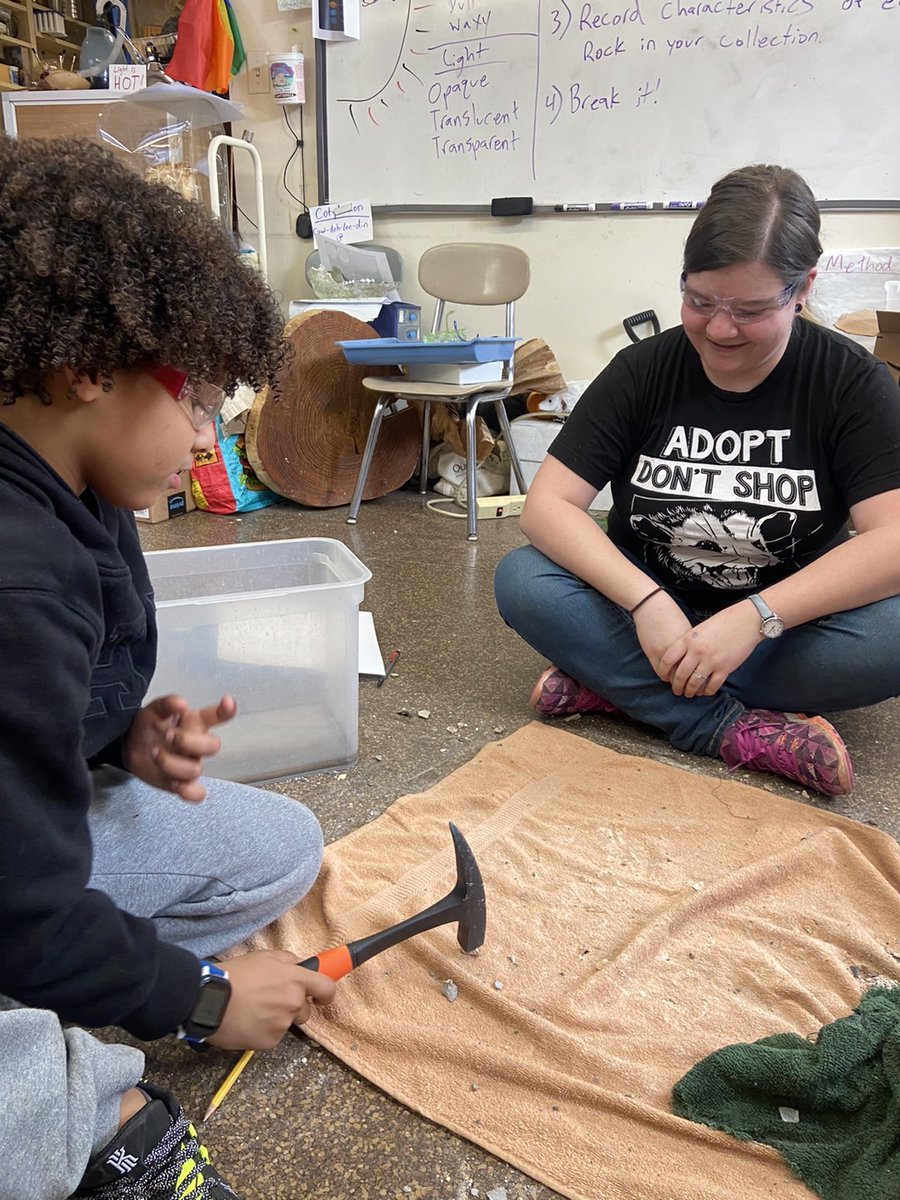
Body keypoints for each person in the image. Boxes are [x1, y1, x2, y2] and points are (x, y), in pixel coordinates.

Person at [0, 136, 336, 1200]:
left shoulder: (74, 479)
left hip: (16, 856)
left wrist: (119, 735)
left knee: (282, 846)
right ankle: (86, 1109)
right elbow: (18, 905)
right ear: (87, 370)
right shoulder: (16, 577)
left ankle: (48, 1010)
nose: (206, 439)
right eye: (197, 401)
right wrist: (201, 998)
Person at [495, 164, 900, 798]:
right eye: (699, 301)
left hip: (782, 627)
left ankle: (618, 685)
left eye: (750, 310)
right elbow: (546, 506)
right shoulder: (642, 370)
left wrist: (757, 618)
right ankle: (726, 727)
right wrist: (646, 604)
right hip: (649, 614)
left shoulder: (850, 382)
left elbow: (893, 540)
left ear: (803, 288)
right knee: (522, 579)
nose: (718, 329)